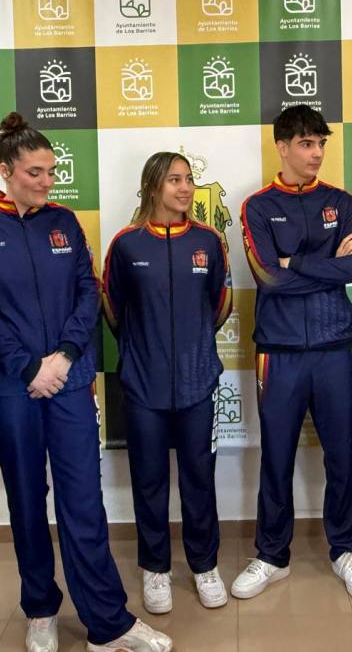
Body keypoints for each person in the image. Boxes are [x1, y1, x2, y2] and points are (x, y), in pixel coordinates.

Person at [0, 113, 171, 652]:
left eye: (51, 171)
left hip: (69, 380)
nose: (47, 181)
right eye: (35, 172)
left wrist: (66, 355)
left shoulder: (65, 223)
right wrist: (29, 367)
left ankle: (107, 623)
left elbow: (86, 292)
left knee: (83, 500)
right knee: (27, 499)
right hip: (10, 386)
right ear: (5, 169)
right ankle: (40, 609)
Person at [232, 104, 352, 602]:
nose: (316, 153)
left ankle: (346, 550)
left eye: (321, 144)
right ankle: (272, 555)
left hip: (333, 347)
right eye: (306, 144)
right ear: (283, 147)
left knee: (341, 453)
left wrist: (294, 261)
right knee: (276, 456)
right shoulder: (257, 206)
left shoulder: (342, 201)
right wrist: (325, 263)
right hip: (279, 352)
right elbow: (267, 277)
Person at [103, 152, 233, 615]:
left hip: (198, 383)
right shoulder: (126, 244)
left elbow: (220, 305)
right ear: (153, 186)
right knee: (149, 479)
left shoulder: (209, 241)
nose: (185, 188)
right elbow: (113, 309)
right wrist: (144, 350)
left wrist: (193, 348)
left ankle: (204, 564)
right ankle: (155, 567)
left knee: (200, 479)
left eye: (189, 179)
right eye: (174, 179)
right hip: (144, 385)